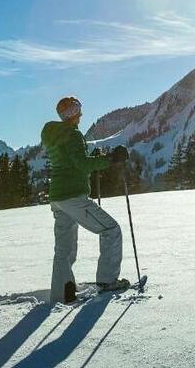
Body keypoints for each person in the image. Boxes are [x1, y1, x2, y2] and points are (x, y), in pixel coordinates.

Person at [41, 96, 130, 303]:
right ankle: (107, 281)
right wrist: (110, 159)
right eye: (76, 110)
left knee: (64, 248)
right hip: (73, 196)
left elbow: (72, 160)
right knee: (111, 230)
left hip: (58, 197)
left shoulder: (55, 134)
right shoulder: (72, 135)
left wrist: (94, 158)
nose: (80, 114)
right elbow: (82, 164)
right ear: (70, 114)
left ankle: (62, 292)